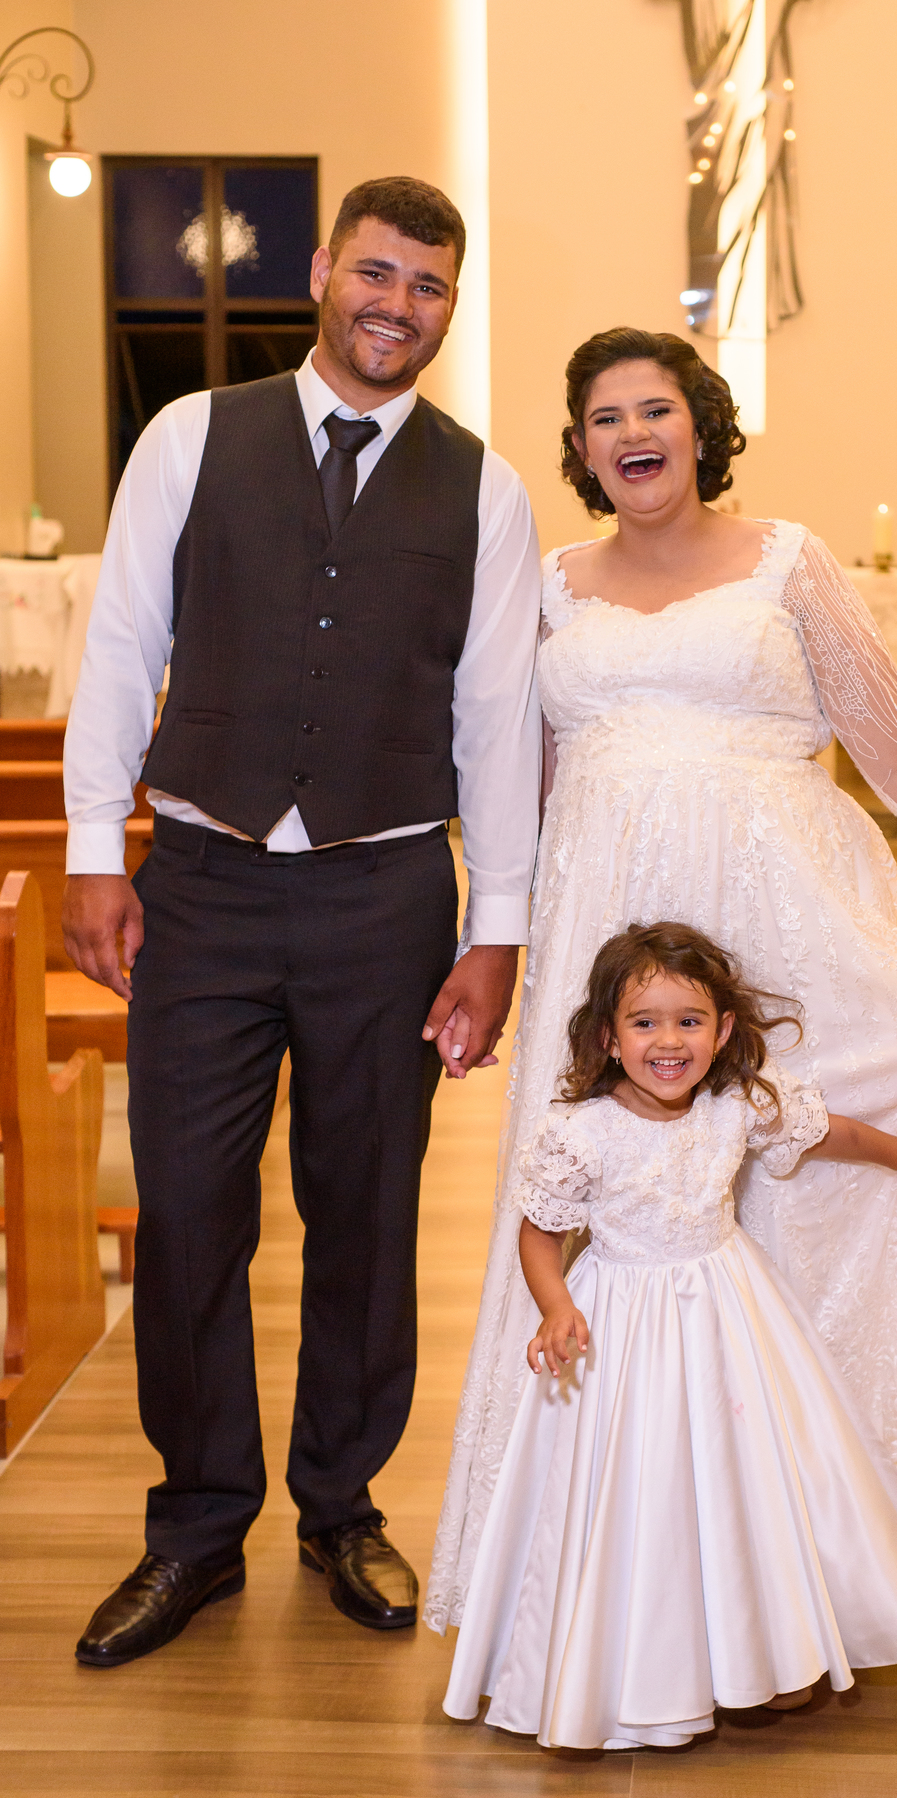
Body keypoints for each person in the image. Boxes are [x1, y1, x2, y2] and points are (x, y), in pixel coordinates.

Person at [426, 327, 897, 1654]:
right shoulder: (549, 584)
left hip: (787, 924)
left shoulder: (790, 560)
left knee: (803, 1190)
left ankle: (832, 1552)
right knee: (615, 1204)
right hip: (607, 929)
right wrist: (495, 945)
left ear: (701, 425)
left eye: (656, 407)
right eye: (605, 416)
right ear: (581, 448)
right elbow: (517, 788)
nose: (633, 432)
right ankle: (610, 1567)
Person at [62, 177, 542, 1667]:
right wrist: (95, 849)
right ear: (326, 270)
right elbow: (122, 642)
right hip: (201, 887)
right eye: (378, 274)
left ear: (450, 305)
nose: (399, 306)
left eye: (429, 286)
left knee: (368, 1214)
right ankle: (198, 1524)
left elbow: (496, 719)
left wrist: (497, 930)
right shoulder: (190, 436)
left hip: (385, 896)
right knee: (188, 1212)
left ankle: (341, 1504)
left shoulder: (486, 490)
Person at [443, 922, 897, 1750]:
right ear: (609, 1038)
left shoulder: (735, 1108)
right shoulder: (581, 1132)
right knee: (640, 1486)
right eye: (644, 1022)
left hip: (729, 1314)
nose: (668, 1041)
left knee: (744, 1482)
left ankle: (762, 1654)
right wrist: (556, 1306)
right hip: (621, 1324)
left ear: (721, 1033)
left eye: (689, 1021)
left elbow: (831, 1132)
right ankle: (640, 1666)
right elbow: (539, 1234)